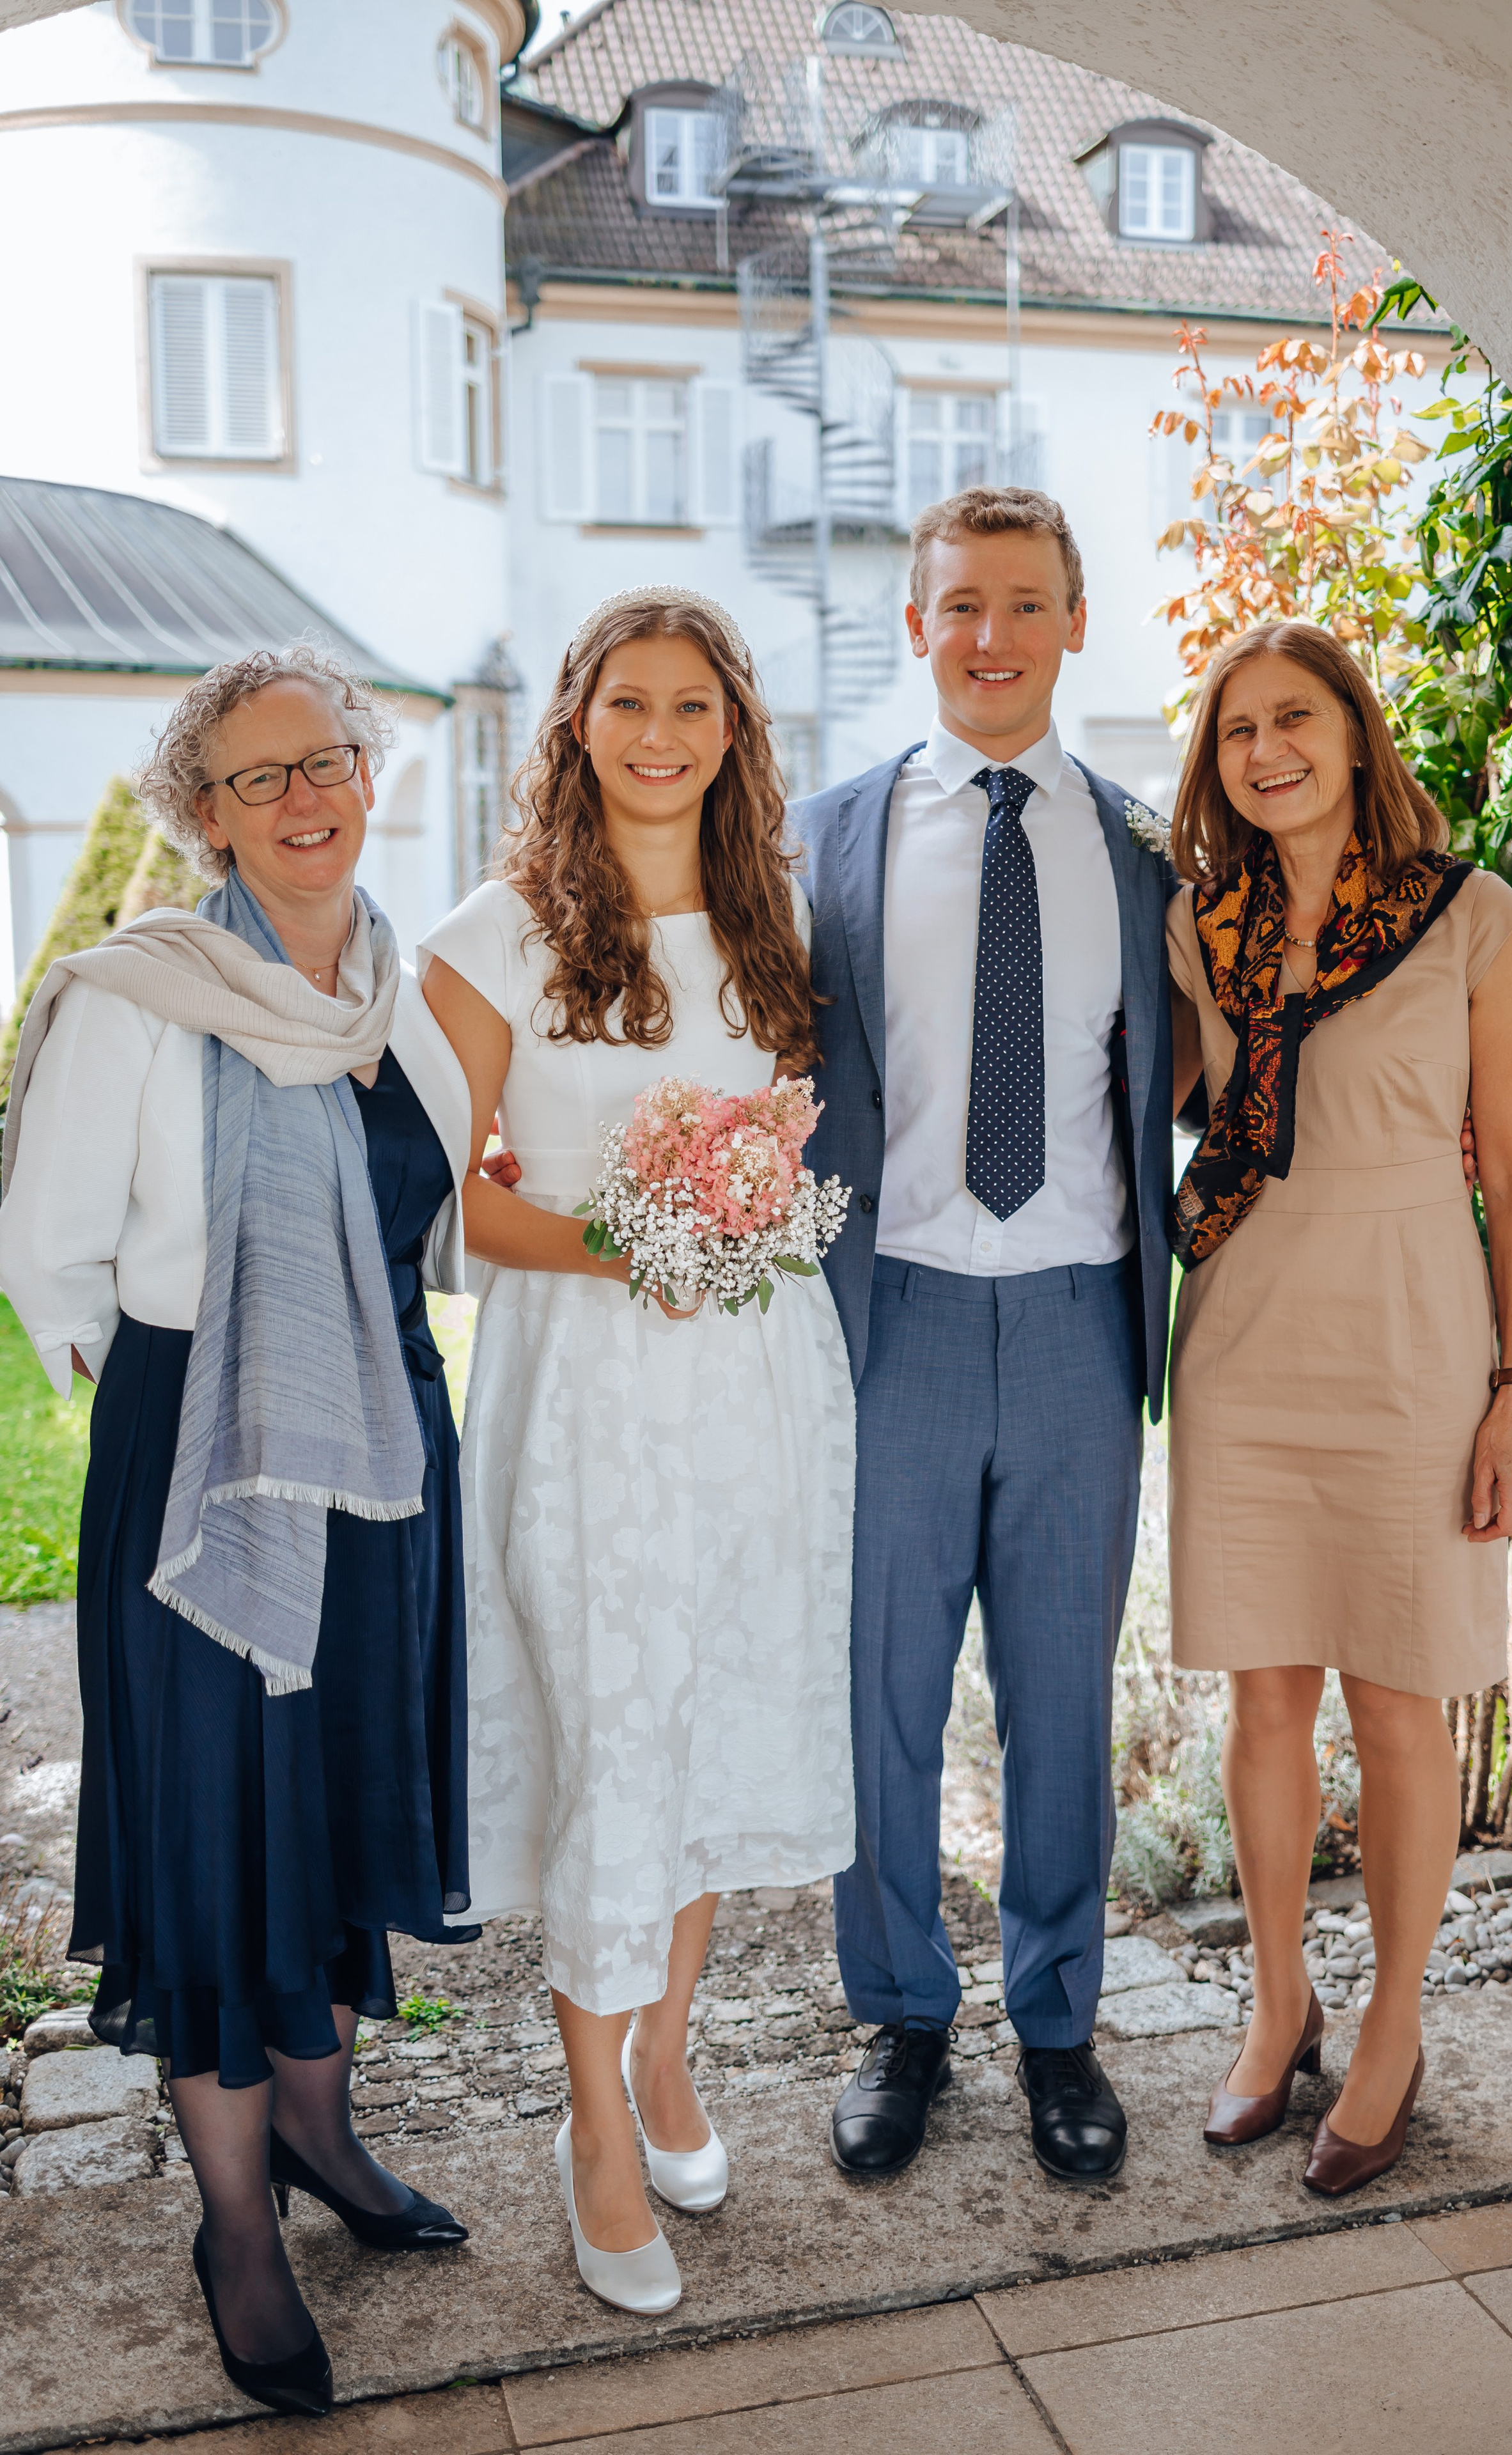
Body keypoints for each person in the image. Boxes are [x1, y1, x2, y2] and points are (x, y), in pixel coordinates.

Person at [0, 648, 478, 2418]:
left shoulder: (397, 992)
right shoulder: (144, 993)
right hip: (202, 1454)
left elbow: (448, 1217)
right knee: (216, 1834)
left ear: (368, 773)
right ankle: (234, 2228)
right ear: (203, 814)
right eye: (257, 776)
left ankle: (322, 2138)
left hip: (380, 1447)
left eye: (325, 760)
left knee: (338, 1804)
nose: (302, 798)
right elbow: (46, 1249)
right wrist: (181, 1393)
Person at [421, 587, 855, 2316]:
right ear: (576, 723)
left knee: (706, 1722)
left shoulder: (774, 920)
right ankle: (593, 2126)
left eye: (692, 705)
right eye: (628, 704)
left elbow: (784, 1141)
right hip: (587, 1396)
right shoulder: (495, 935)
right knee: (612, 1737)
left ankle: (667, 2054)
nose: (659, 736)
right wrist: (628, 1244)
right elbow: (443, 1205)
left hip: (754, 1384)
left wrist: (739, 1215)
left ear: (733, 730)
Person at [793, 487, 1176, 2185]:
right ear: (916, 627)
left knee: (1060, 1702)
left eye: (1025, 604)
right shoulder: (824, 842)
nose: (992, 637)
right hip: (896, 1323)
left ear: (1074, 624)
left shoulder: (1147, 852)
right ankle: (899, 2014)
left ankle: (1059, 2024)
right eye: (961, 605)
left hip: (1084, 1320)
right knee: (877, 1693)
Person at [1165, 619, 1512, 2194]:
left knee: (1397, 1704)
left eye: (1293, 718)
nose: (1265, 750)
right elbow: (1144, 1103)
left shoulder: (1470, 915)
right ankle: (1279, 2006)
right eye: (1236, 730)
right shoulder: (1200, 926)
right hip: (1242, 1332)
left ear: (1351, 730)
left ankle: (1393, 2021)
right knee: (1262, 1699)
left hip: (1410, 1336)